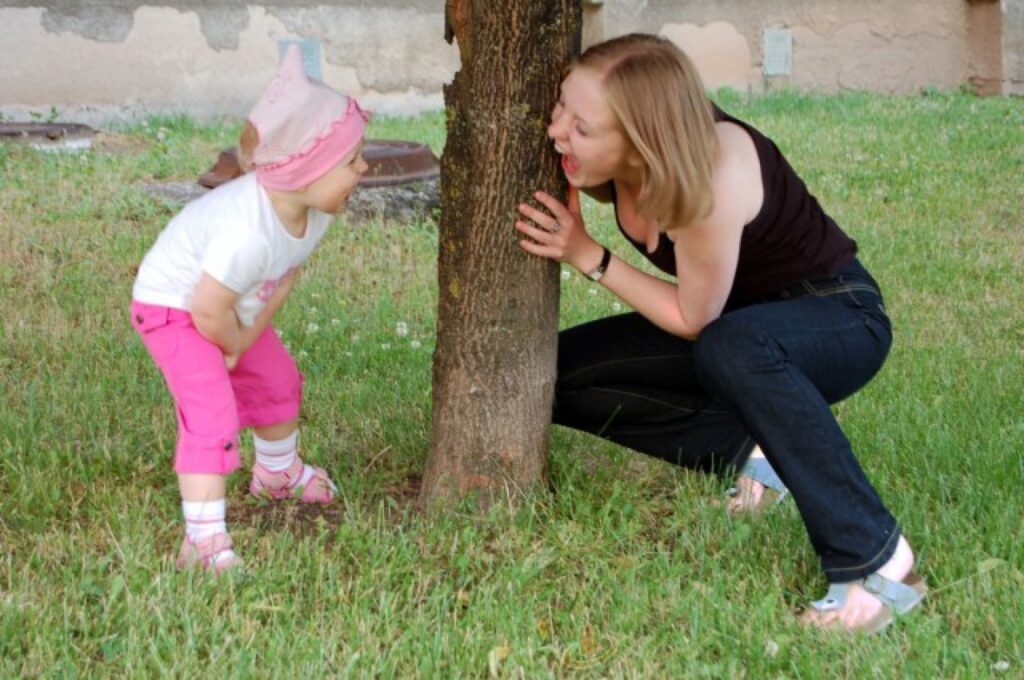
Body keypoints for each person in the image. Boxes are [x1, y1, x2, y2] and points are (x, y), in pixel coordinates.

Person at [515, 33, 925, 633]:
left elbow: (695, 319)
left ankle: (877, 561)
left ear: (641, 137)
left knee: (732, 346)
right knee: (545, 378)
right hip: (737, 327)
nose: (558, 134)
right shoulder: (613, 155)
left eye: (581, 127)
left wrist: (590, 257)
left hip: (835, 315)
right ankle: (760, 455)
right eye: (560, 111)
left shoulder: (708, 179)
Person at [131, 46, 369, 573]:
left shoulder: (311, 213)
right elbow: (206, 307)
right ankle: (203, 541)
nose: (365, 167)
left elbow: (280, 280)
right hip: (174, 308)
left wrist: (245, 339)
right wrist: (230, 342)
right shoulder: (246, 232)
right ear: (306, 172)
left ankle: (277, 475)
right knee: (210, 410)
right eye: (352, 161)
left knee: (278, 380)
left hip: (232, 307)